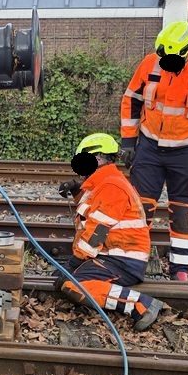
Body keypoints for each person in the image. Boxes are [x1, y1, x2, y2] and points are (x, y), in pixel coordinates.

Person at [119, 20, 188, 281]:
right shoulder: (149, 64)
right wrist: (128, 142)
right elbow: (131, 100)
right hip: (150, 147)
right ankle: (133, 262)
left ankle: (180, 271)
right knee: (139, 208)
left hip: (187, 152)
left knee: (182, 213)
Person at [55, 132, 164, 331]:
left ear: (97, 158)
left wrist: (76, 261)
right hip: (114, 257)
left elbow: (97, 230)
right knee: (68, 281)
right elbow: (91, 213)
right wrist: (76, 189)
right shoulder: (104, 183)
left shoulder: (111, 187)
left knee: (74, 285)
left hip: (122, 261)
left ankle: (142, 305)